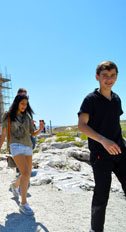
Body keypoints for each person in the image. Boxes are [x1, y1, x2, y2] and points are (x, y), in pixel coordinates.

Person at [78, 61, 126, 232]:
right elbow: (82, 126)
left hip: (121, 152)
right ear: (97, 77)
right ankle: (96, 229)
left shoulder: (117, 98)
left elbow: (114, 125)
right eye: (105, 75)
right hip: (100, 155)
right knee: (102, 195)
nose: (109, 79)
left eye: (113, 75)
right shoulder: (90, 100)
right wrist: (103, 140)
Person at [0, 94, 43, 216]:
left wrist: (41, 129)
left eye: (26, 104)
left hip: (27, 145)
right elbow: (3, 134)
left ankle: (15, 185)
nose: (24, 106)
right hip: (15, 145)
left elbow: (32, 133)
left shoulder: (27, 116)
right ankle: (24, 203)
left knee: (26, 173)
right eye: (22, 103)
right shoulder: (8, 115)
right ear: (17, 103)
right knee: (26, 173)